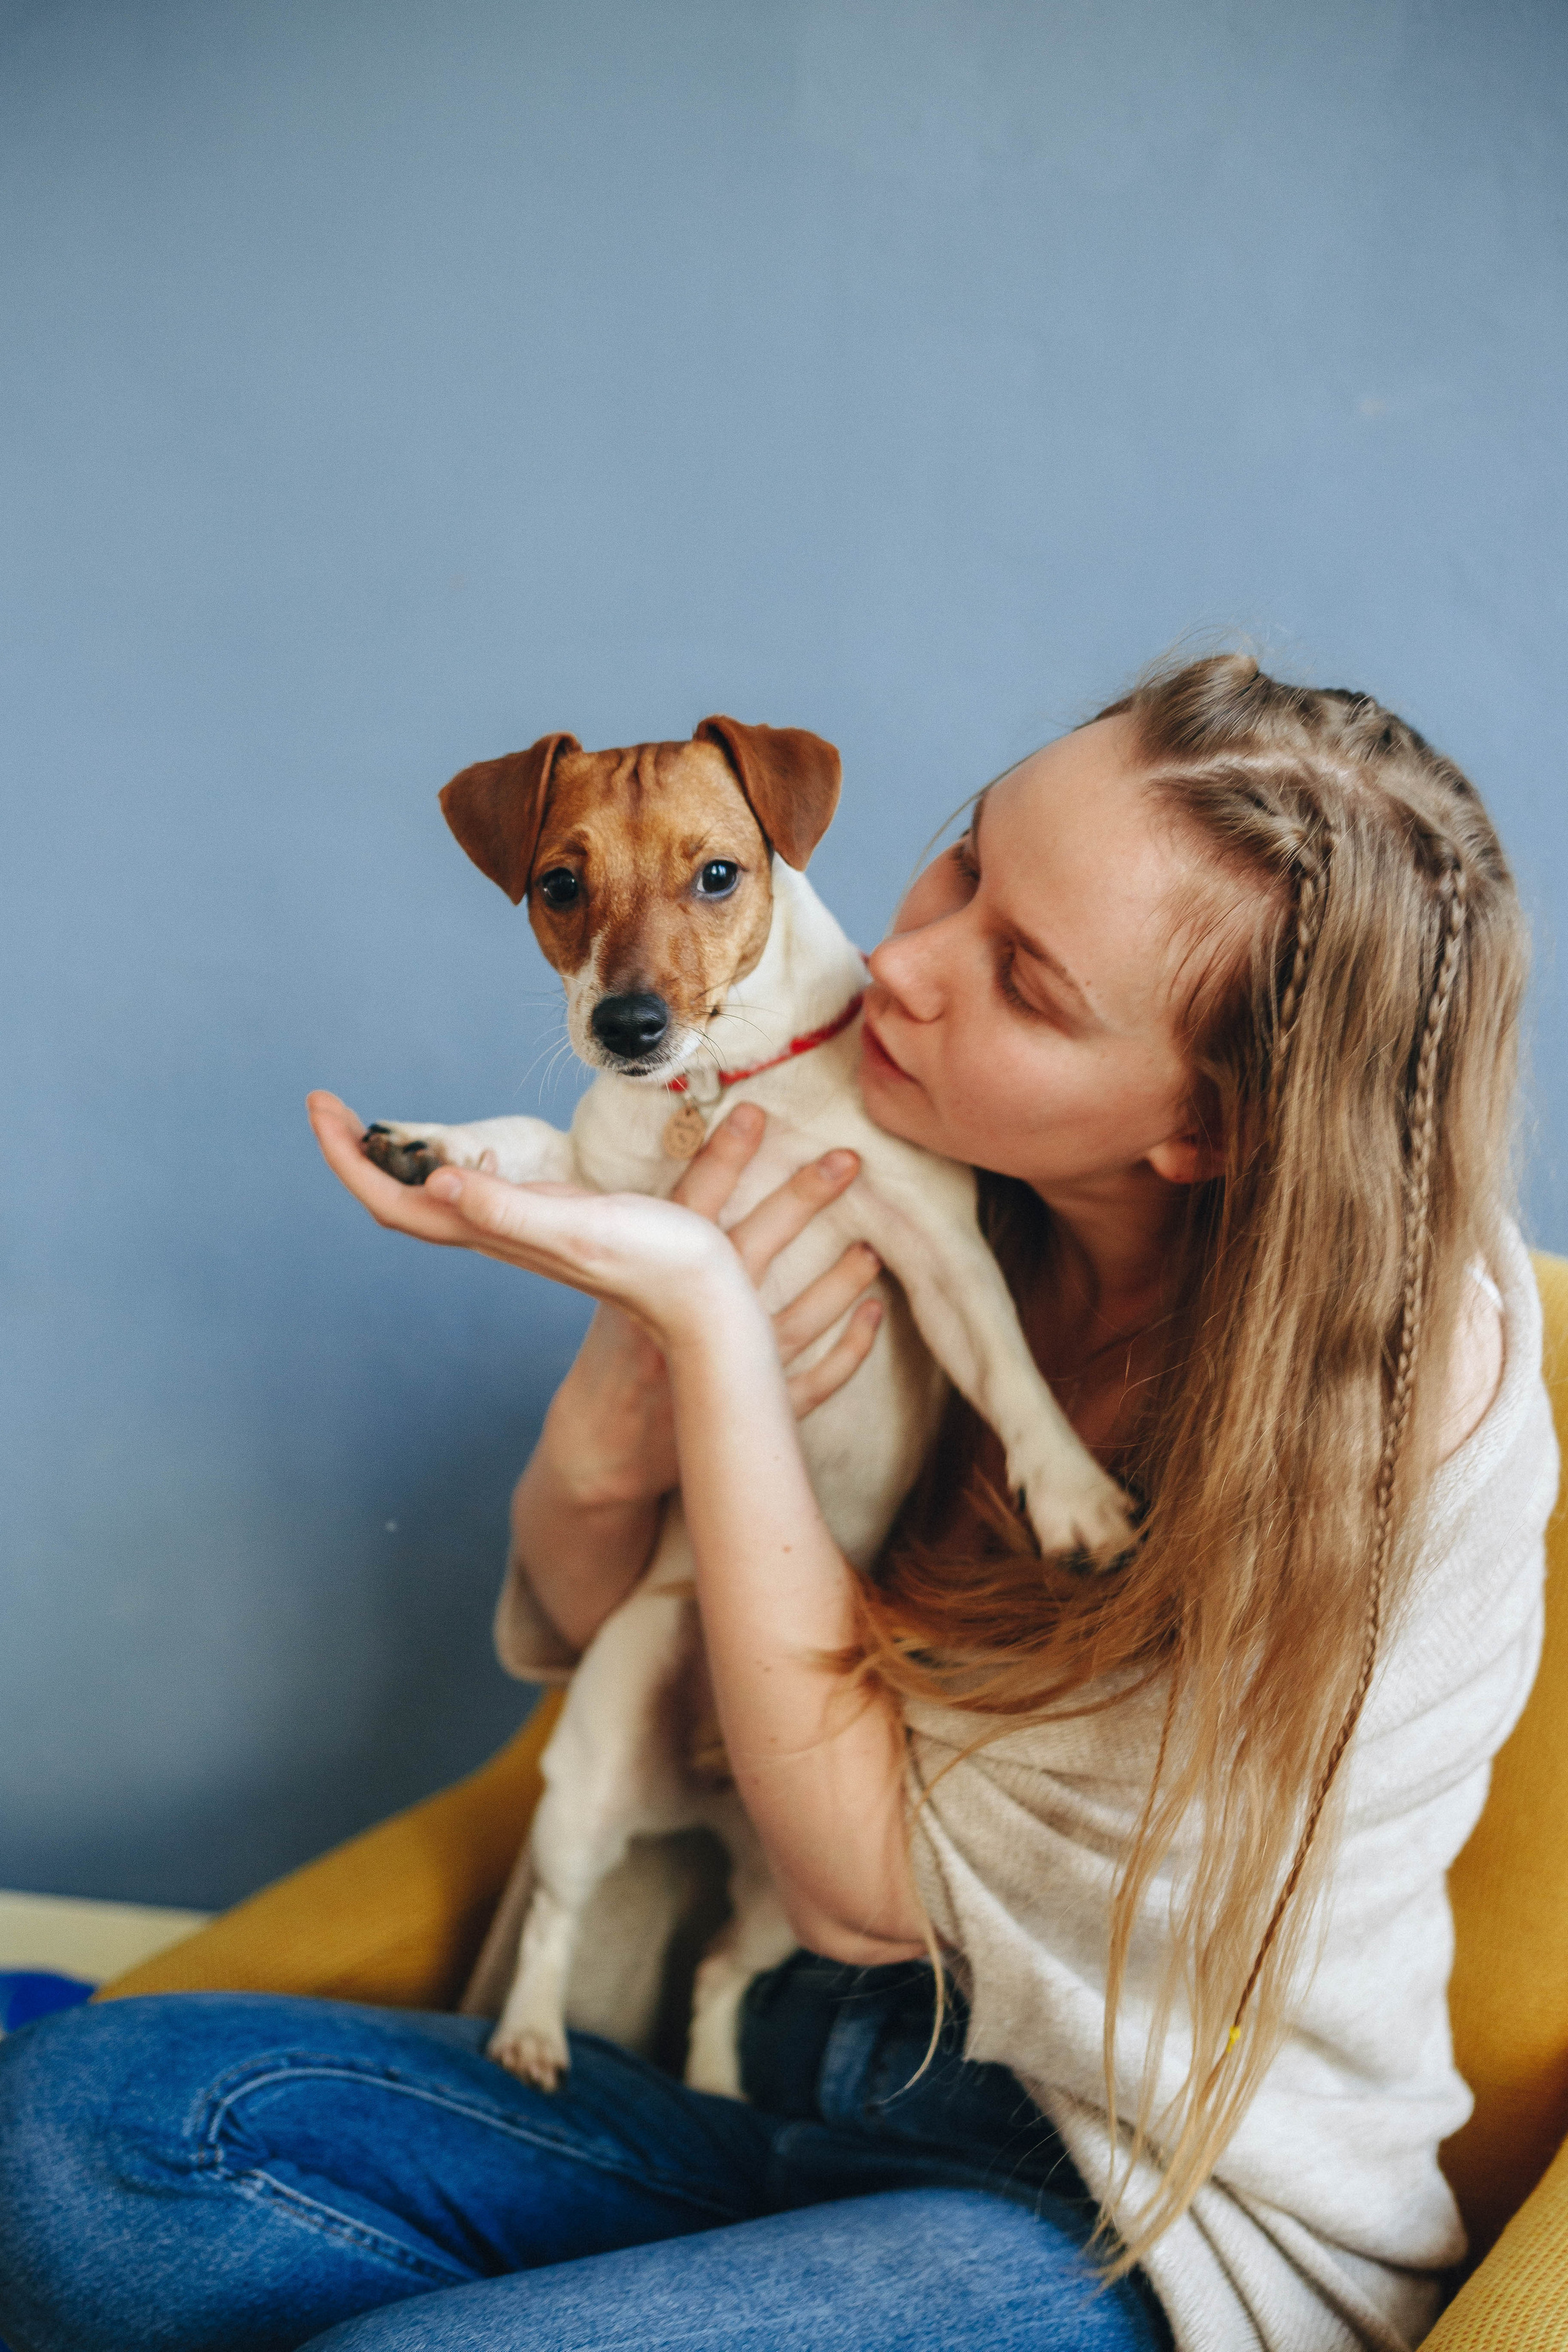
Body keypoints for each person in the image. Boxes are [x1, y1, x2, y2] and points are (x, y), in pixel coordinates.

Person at [0, 655, 1554, 2352]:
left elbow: (862, 1890)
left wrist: (710, 1328)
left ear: (1209, 1126)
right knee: (71, 2141)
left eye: (1023, 981)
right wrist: (629, 1354)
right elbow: (592, 1610)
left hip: (1118, 2209)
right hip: (751, 2065)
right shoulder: (886, 1141)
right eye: (963, 859)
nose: (901, 959)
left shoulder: (1391, 1406)